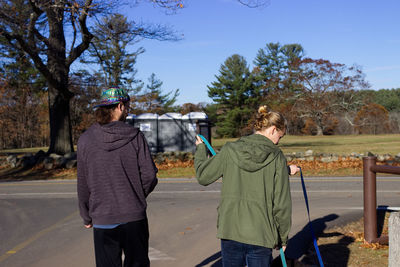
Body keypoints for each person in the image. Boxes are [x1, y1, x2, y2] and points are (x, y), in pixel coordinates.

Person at [194, 106, 299, 267]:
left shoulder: (230, 150)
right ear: (272, 129)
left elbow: (203, 176)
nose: (279, 141)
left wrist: (201, 150)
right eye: (280, 136)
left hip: (231, 230)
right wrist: (283, 238)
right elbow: (282, 204)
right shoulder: (277, 157)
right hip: (261, 234)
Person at [77, 87, 158, 267]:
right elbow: (150, 175)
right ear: (120, 106)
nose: (128, 111)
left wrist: (86, 215)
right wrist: (135, 195)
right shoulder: (136, 136)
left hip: (102, 218)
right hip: (133, 217)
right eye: (128, 107)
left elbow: (83, 182)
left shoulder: (85, 139)